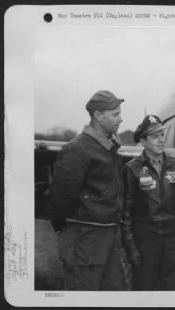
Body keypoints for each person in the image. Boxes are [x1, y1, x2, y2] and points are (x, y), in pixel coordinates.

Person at [47, 90, 131, 290]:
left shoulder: (107, 148)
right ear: (97, 116)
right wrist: (66, 230)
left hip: (108, 239)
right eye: (115, 114)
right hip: (84, 241)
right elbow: (60, 198)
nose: (121, 118)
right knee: (83, 297)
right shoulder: (78, 149)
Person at [121, 115, 175, 290]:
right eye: (155, 136)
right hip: (146, 238)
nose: (161, 140)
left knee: (174, 289)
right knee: (144, 288)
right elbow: (125, 213)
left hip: (174, 236)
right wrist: (131, 247)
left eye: (162, 134)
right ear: (144, 141)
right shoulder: (131, 169)